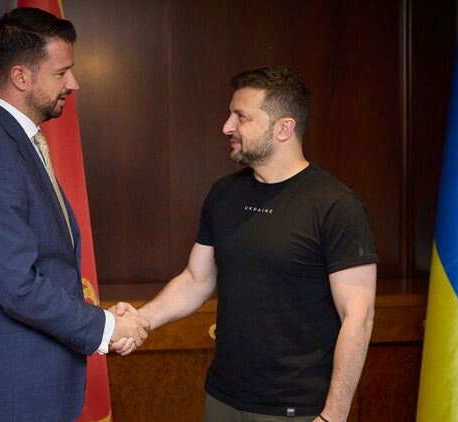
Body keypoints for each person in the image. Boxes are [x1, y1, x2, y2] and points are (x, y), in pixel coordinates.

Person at [118, 66, 378, 421]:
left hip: (296, 408)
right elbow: (196, 281)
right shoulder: (223, 194)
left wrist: (333, 415)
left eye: (241, 117)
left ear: (284, 128)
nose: (227, 127)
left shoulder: (337, 205)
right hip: (223, 397)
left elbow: (358, 317)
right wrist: (140, 320)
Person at [0, 8, 148, 422]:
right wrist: (107, 327)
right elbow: (17, 286)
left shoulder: (15, 142)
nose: (74, 83)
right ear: (21, 77)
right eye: (61, 72)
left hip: (30, 387)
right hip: (6, 394)